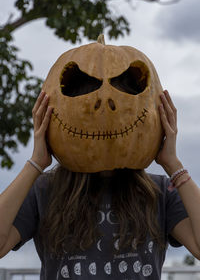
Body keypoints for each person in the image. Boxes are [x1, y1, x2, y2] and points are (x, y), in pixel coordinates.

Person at [0, 89, 200, 280]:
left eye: (120, 105)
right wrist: (35, 163)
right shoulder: (44, 190)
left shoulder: (160, 192)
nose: (104, 111)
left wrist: (174, 165)